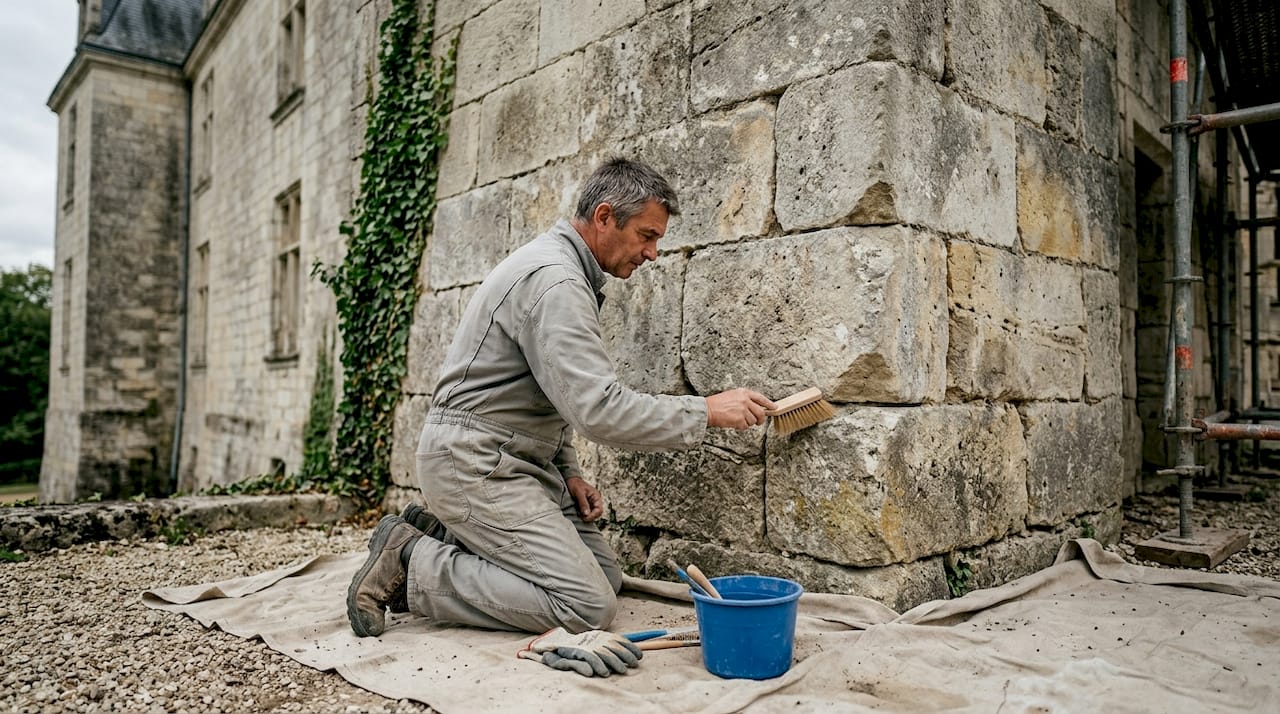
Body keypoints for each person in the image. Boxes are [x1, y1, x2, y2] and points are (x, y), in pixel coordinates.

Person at [347, 157, 775, 639]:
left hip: (507, 459)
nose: (653, 253)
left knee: (607, 578)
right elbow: (598, 410)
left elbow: (552, 394)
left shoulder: (563, 270)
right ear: (605, 216)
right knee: (586, 605)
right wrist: (706, 411)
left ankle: (445, 534)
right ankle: (411, 562)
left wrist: (568, 470)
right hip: (472, 463)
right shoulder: (557, 282)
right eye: (647, 235)